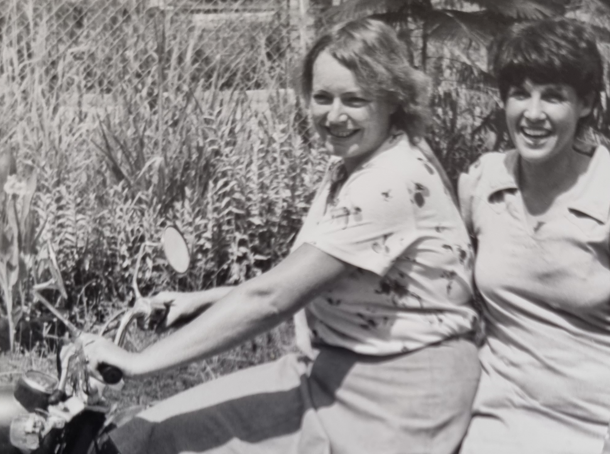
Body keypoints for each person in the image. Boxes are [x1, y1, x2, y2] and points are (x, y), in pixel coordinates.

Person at [82, 18, 480, 454]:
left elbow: (271, 300)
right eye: (323, 97)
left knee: (150, 442)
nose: (335, 115)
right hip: (332, 370)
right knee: (147, 435)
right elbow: (307, 277)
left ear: (393, 100)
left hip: (399, 397)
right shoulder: (357, 166)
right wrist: (201, 300)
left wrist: (139, 363)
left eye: (355, 99)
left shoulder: (387, 182)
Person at [457, 18, 610, 454]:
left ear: (586, 103)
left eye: (553, 97)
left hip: (605, 423)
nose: (533, 114)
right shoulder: (481, 183)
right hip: (502, 420)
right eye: (521, 94)